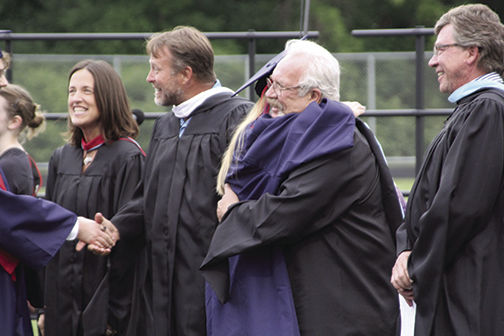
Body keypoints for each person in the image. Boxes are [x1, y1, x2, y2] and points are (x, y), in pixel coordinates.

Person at [200, 39, 403, 335]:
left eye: (282, 87)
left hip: (345, 310)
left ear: (314, 96)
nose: (270, 94)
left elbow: (287, 211)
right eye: (270, 83)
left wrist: (232, 210)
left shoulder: (340, 146)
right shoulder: (307, 136)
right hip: (317, 302)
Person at [390, 4, 504, 335]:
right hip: (454, 282)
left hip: (470, 292)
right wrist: (405, 250)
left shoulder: (487, 111)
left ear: (472, 52)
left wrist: (414, 264)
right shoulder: (472, 110)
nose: (432, 61)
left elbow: (461, 205)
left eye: (441, 49)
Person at [42, 59, 145, 336]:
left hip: (108, 304)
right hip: (61, 300)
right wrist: (44, 307)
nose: (76, 98)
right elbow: (49, 228)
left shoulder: (128, 157)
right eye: (72, 91)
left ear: (108, 97)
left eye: (87, 91)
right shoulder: (62, 158)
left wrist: (114, 314)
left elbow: (135, 227)